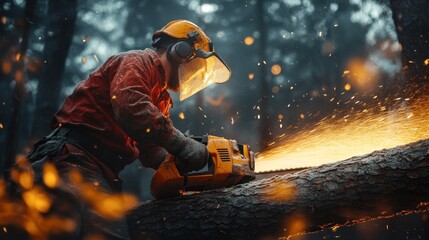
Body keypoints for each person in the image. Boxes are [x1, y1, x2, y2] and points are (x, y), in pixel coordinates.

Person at [25, 19, 231, 239]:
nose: (194, 75)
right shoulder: (137, 62)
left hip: (99, 170)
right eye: (196, 67)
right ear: (180, 51)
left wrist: (175, 163)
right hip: (72, 158)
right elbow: (131, 109)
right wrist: (183, 145)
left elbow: (149, 145)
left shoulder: (161, 98)